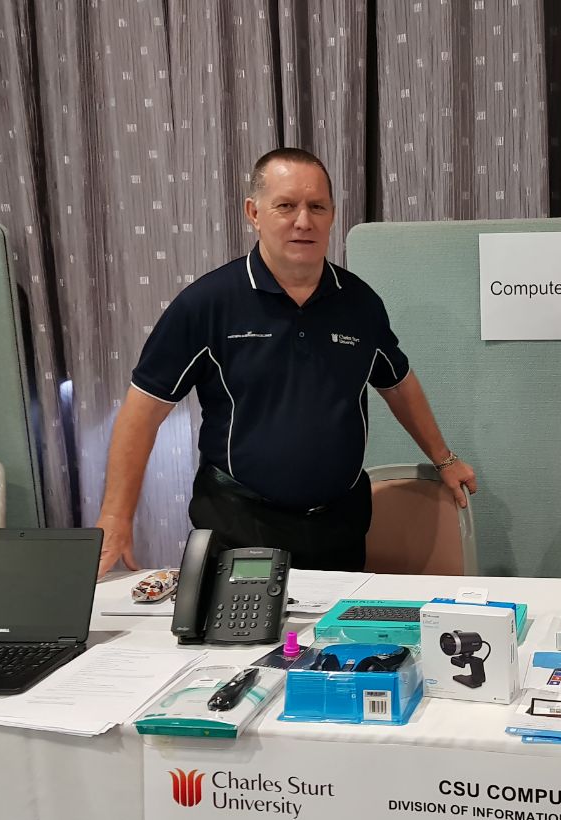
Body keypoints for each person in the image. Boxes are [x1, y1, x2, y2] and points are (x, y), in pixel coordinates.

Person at [96, 148, 476, 577]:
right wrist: (115, 517)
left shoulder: (359, 303)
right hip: (240, 525)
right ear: (253, 212)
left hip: (340, 525)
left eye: (317, 207)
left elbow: (398, 383)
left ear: (332, 214)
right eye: (286, 206)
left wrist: (445, 460)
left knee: (334, 644)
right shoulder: (206, 305)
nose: (303, 221)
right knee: (243, 644)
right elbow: (141, 413)